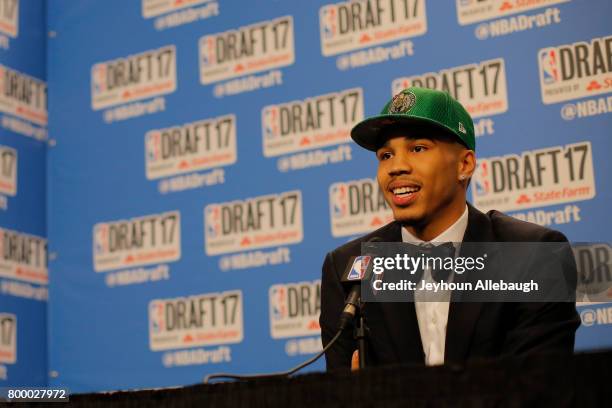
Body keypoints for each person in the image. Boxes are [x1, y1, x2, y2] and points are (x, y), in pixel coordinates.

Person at [319, 87, 580, 370]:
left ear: (464, 165)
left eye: (418, 148)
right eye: (385, 156)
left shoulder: (534, 255)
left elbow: (536, 389)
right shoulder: (347, 268)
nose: (396, 167)